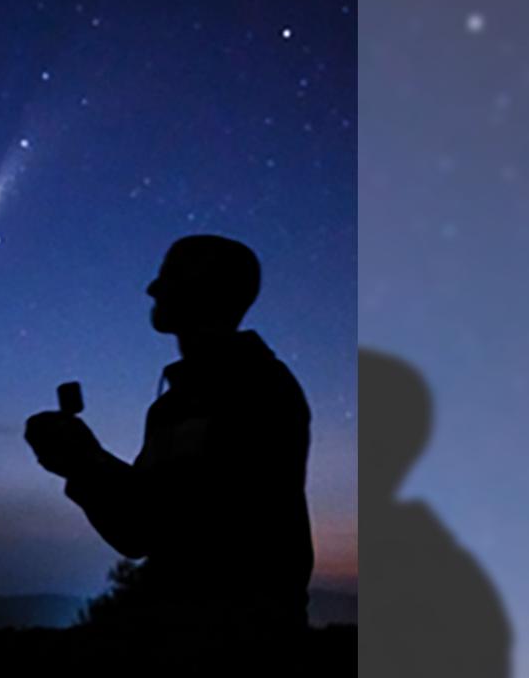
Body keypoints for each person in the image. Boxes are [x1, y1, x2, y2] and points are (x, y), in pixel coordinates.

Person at [24, 234, 314, 668]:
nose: (153, 288)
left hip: (239, 645)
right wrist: (82, 462)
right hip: (185, 637)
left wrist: (87, 464)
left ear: (208, 289)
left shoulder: (261, 389)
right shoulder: (173, 406)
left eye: (170, 276)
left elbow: (186, 524)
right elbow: (142, 528)